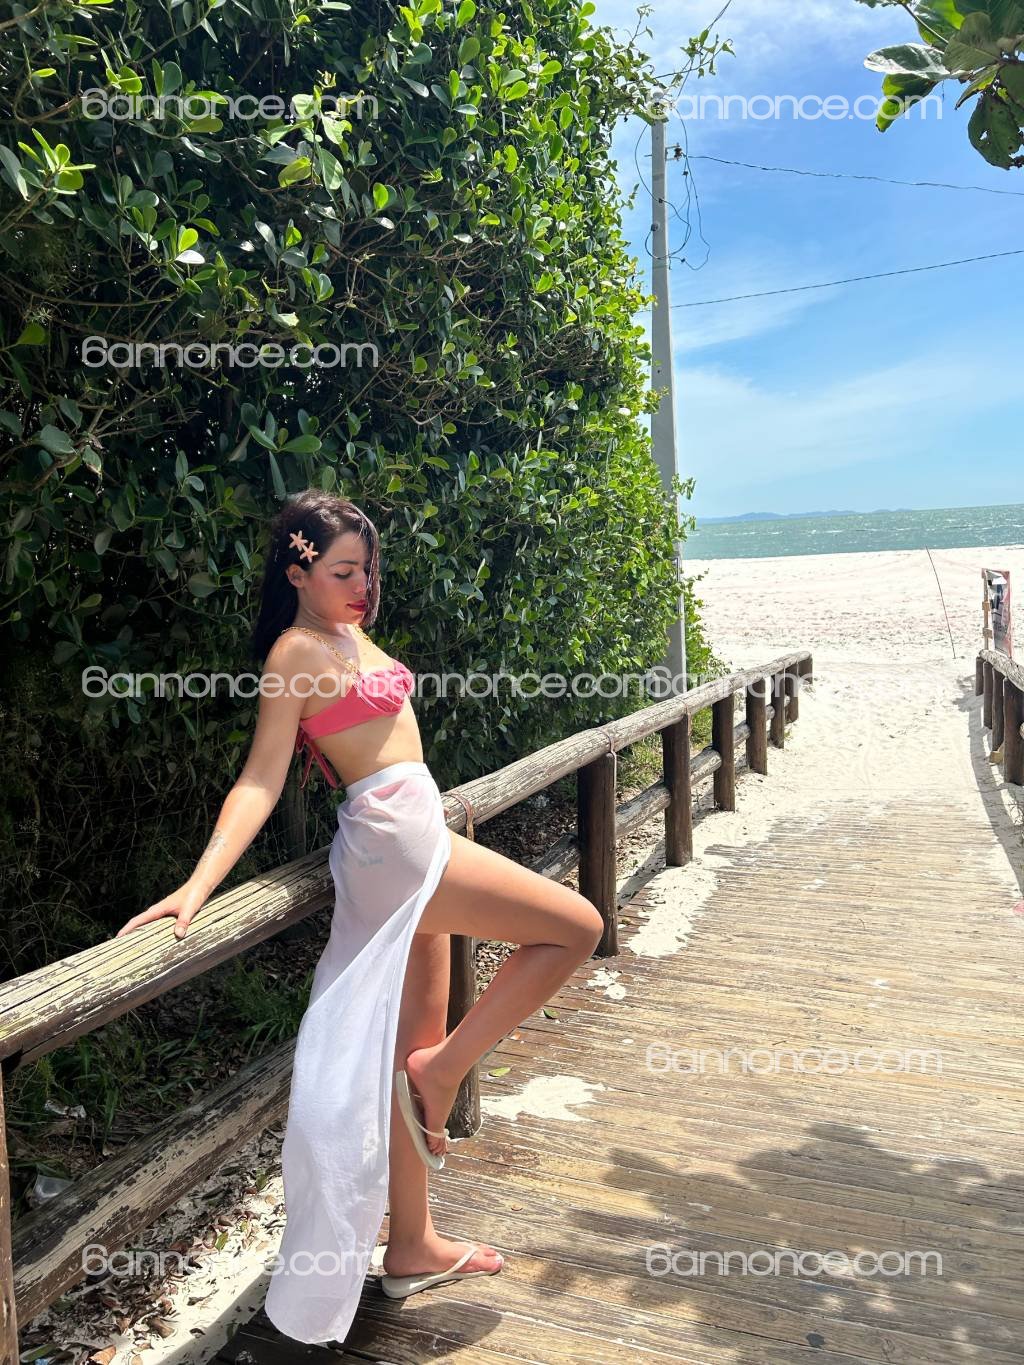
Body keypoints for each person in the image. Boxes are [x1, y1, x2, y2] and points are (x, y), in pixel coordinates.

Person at [115, 488, 604, 1345]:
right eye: (344, 570)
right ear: (297, 570)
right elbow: (261, 777)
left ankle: (411, 1241)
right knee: (577, 925)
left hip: (411, 830)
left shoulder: (347, 636)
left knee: (408, 1035)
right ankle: (445, 1072)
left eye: (368, 571)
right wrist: (198, 884)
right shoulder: (296, 650)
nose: (362, 586)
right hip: (396, 842)